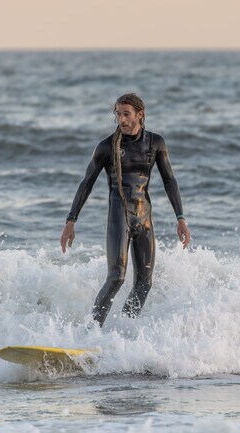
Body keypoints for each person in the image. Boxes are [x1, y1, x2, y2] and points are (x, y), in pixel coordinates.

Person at [60, 93, 190, 327]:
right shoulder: (106, 147)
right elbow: (86, 182)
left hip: (144, 218)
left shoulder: (156, 143)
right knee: (116, 277)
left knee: (144, 283)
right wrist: (71, 220)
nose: (121, 119)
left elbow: (170, 180)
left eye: (126, 114)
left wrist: (180, 218)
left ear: (140, 115)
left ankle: (124, 329)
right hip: (119, 217)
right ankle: (91, 331)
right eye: (118, 114)